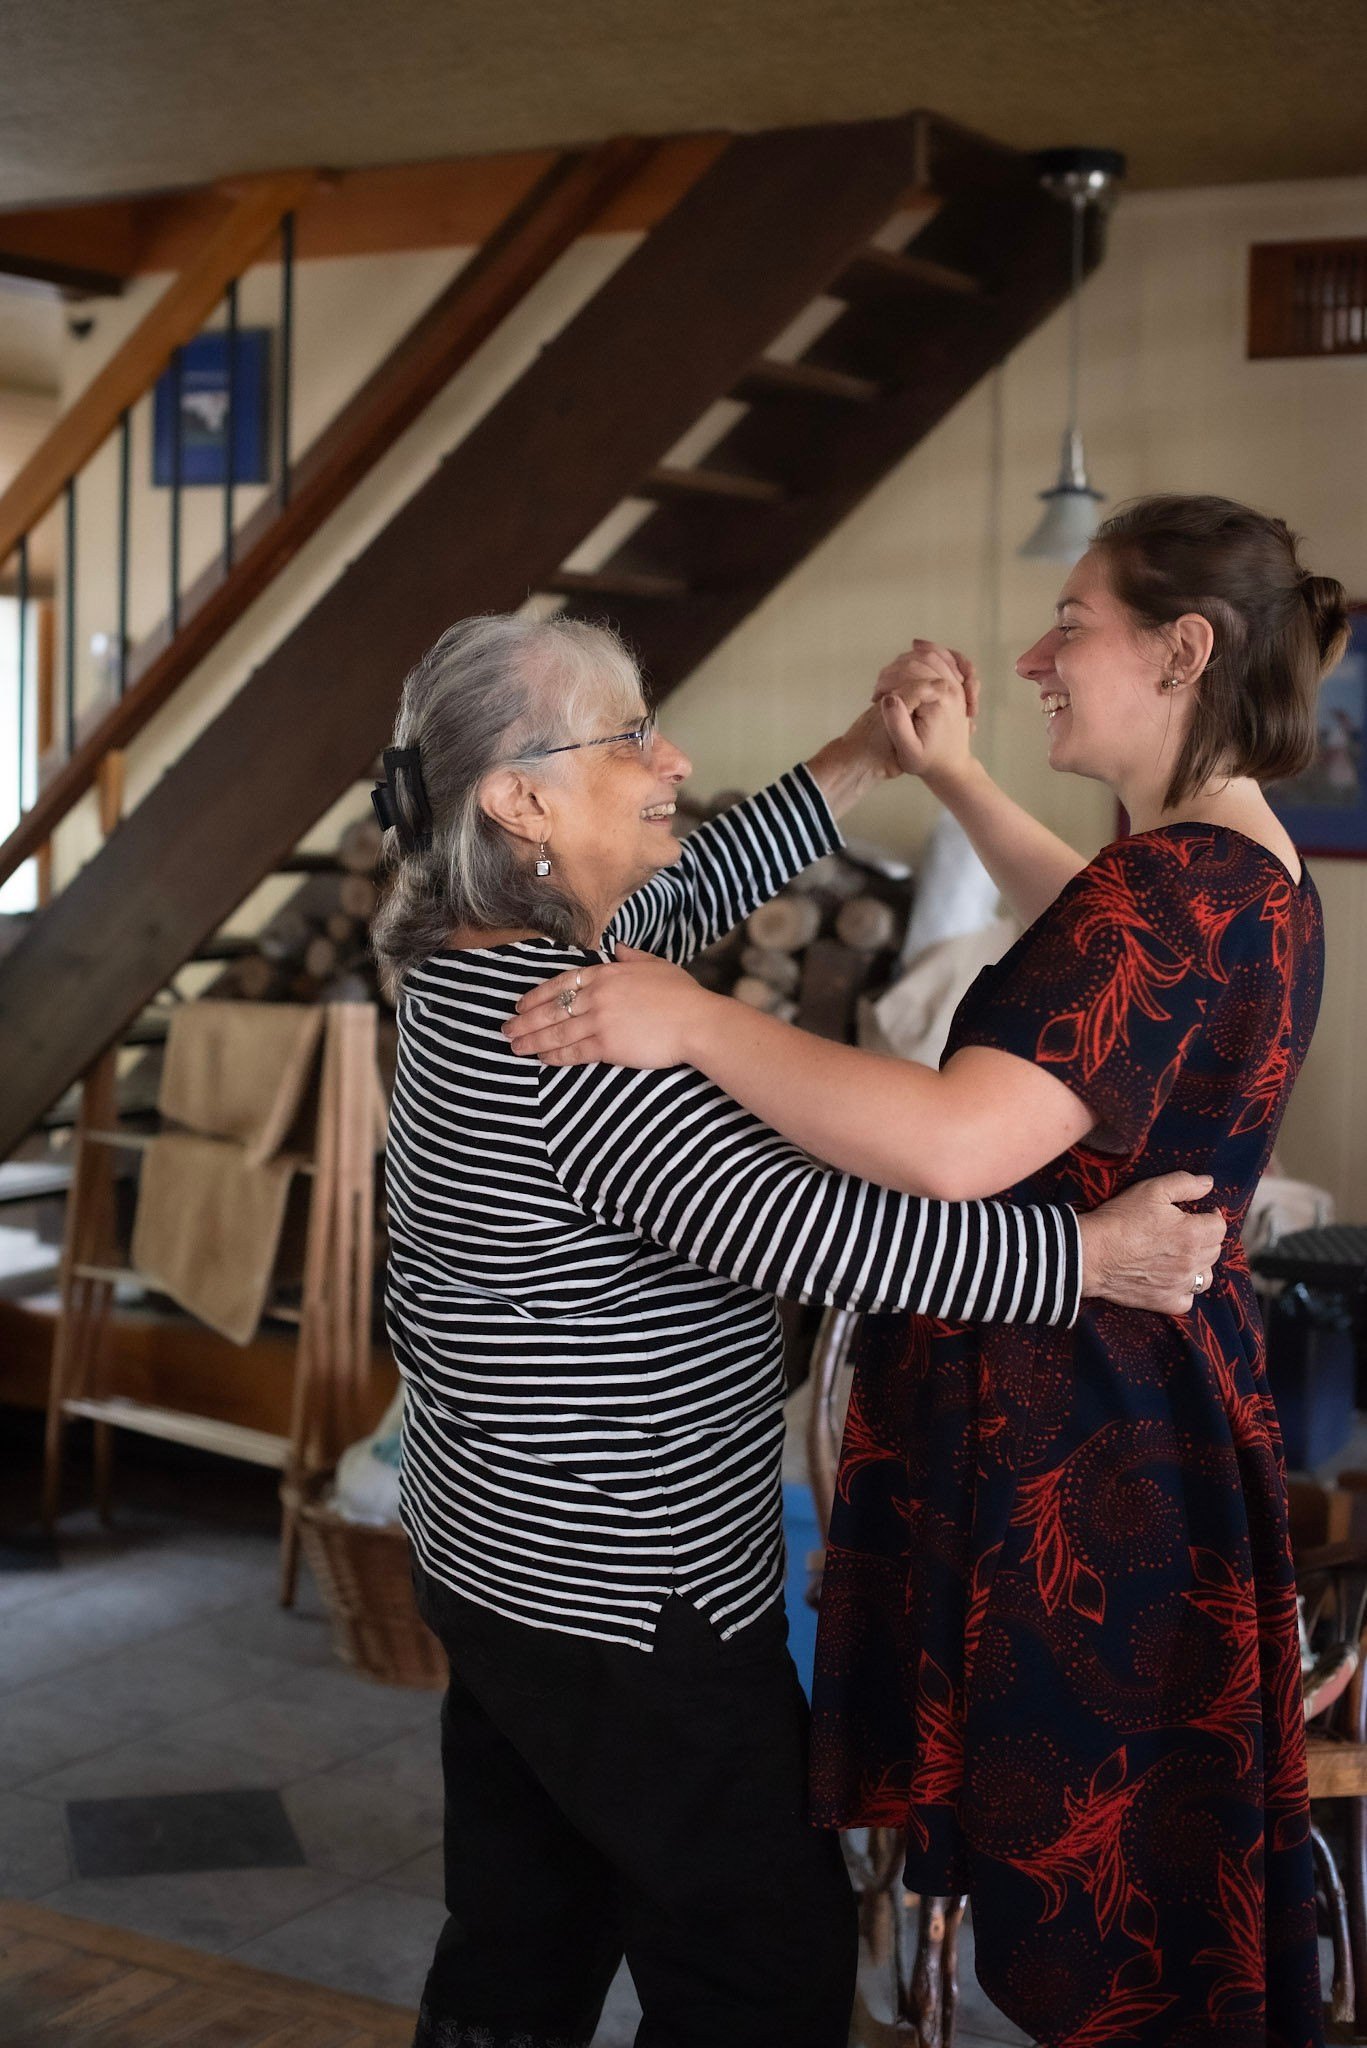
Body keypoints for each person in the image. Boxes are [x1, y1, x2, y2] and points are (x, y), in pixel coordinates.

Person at [507, 495, 1350, 2047]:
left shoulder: (1177, 887)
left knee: (1103, 1923)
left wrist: (695, 1021)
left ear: (1183, 651)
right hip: (1118, 1410)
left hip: (1085, 1450)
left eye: (1073, 624)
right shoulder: (1217, 864)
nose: (1035, 653)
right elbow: (1084, 933)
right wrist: (950, 772)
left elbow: (957, 1146)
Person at [370, 610, 1221, 2048]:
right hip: (631, 1594)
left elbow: (687, 888)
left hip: (498, 1556)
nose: (674, 755)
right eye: (630, 733)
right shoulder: (572, 1048)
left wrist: (860, 758)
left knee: (525, 1936)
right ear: (519, 802)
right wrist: (1085, 1255)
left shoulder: (481, 968)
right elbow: (833, 1233)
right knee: (761, 1967)